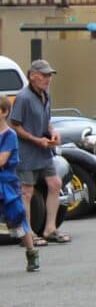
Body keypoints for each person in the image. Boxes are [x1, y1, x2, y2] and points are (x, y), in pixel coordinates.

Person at [11, 59, 67, 245]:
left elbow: (47, 120)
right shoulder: (23, 97)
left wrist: (53, 132)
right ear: (32, 76)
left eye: (50, 75)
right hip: (27, 152)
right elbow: (15, 125)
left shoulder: (46, 95)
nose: (48, 78)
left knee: (55, 183)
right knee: (26, 191)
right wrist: (36, 140)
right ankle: (28, 234)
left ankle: (50, 229)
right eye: (44, 75)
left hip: (44, 151)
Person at [0, 97, 39, 271]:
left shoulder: (9, 135)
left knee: (17, 218)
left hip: (7, 183)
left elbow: (2, 161)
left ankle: (31, 253)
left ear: (5, 112)